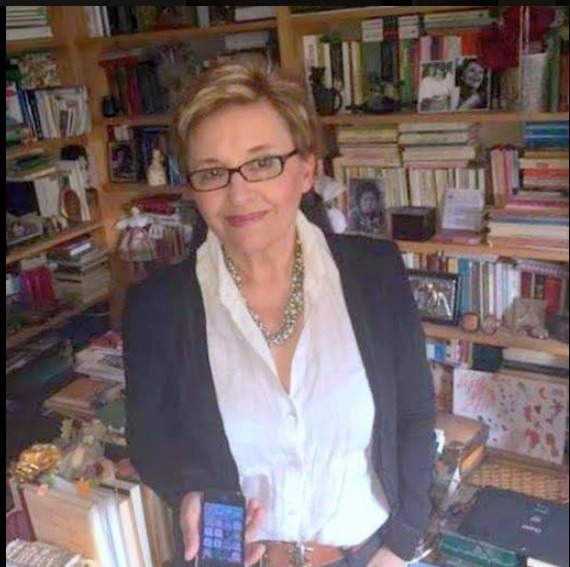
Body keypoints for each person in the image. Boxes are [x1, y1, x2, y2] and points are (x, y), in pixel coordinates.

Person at [124, 54, 436, 567]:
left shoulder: (375, 272)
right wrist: (189, 492)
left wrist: (400, 546)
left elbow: (416, 415)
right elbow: (151, 442)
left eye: (262, 162)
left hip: (366, 556)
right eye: (212, 172)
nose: (238, 193)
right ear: (193, 188)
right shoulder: (156, 307)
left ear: (306, 170)